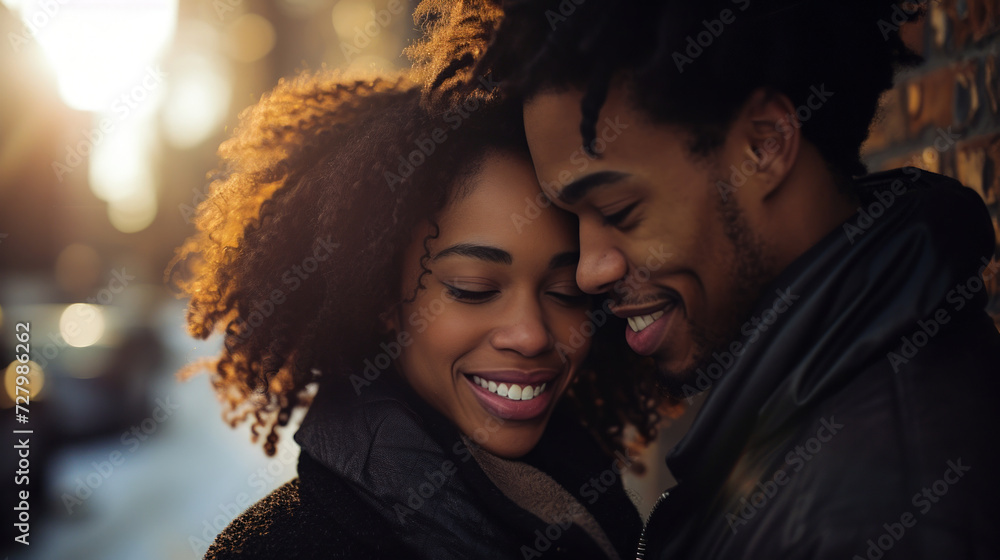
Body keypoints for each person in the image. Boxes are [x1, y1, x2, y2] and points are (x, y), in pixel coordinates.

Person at [409, 0, 1000, 558]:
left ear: (765, 146)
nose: (589, 271)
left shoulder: (876, 511)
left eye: (618, 212)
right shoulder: (799, 427)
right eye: (573, 221)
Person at [167, 70, 669, 559]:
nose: (532, 334)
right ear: (382, 299)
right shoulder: (279, 550)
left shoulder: (600, 504)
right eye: (473, 289)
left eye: (565, 292)